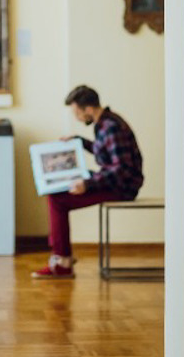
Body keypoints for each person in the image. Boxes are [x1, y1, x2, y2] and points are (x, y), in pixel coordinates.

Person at [33, 86, 144, 279]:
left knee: (58, 199)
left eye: (76, 112)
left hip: (122, 187)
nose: (76, 117)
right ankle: (62, 257)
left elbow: (121, 169)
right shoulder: (104, 123)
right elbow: (106, 152)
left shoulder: (111, 127)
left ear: (88, 109)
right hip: (115, 182)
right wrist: (80, 141)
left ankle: (62, 261)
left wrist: (88, 184)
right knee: (58, 191)